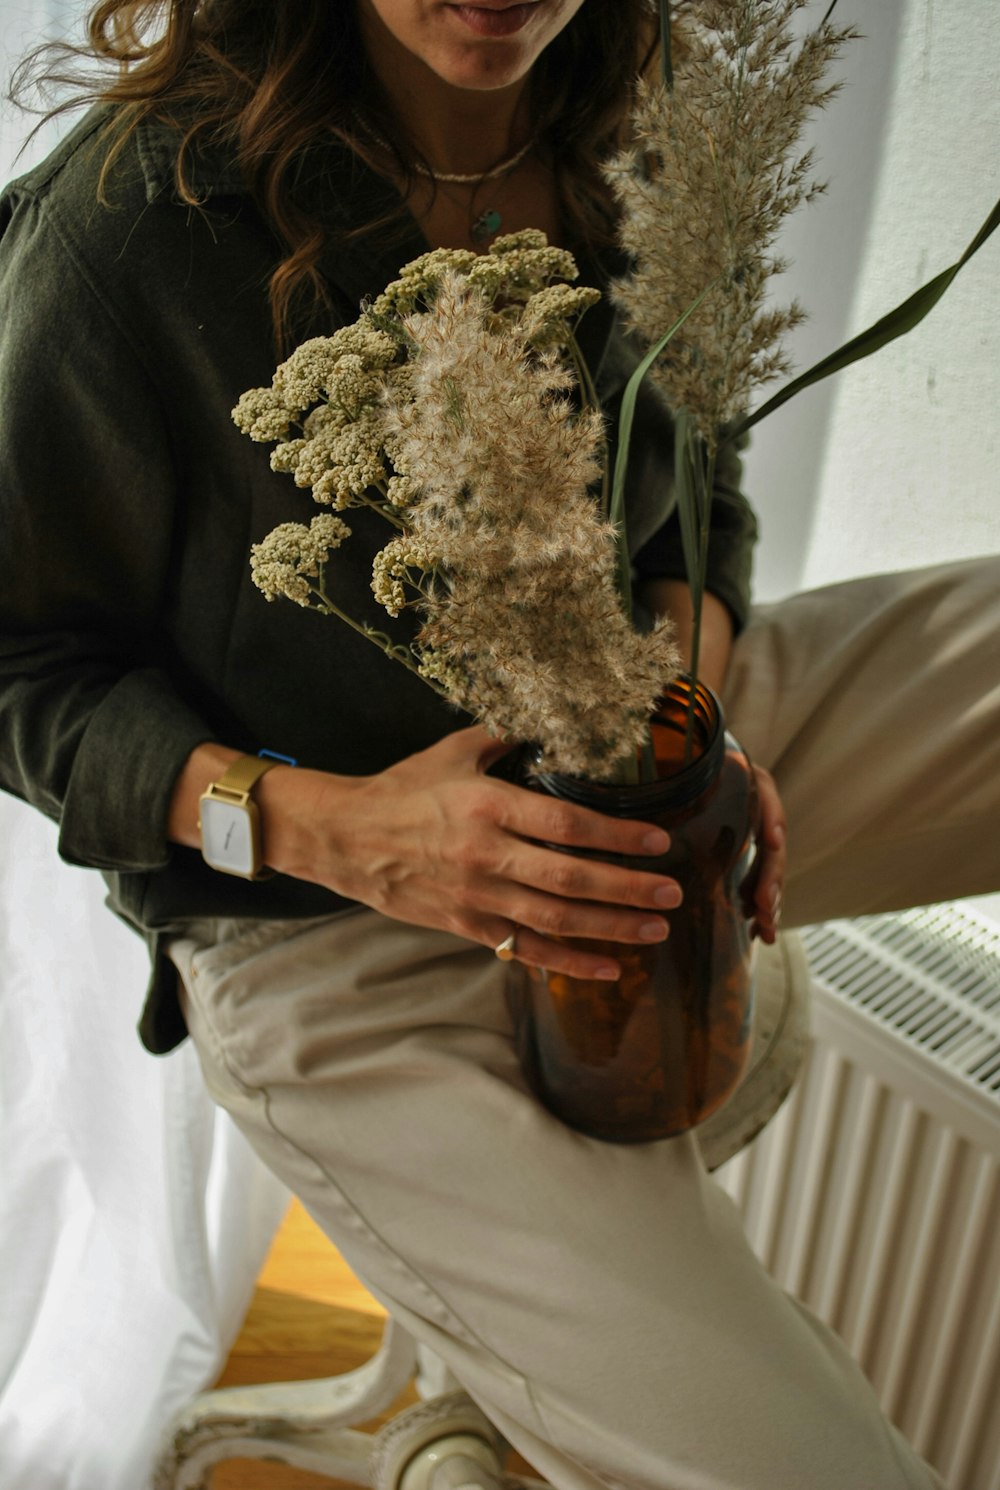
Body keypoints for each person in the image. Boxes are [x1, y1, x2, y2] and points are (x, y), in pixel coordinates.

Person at [0, 3, 995, 1487]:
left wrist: (686, 708)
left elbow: (699, 472)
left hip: (646, 724)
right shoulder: (132, 228)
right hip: (330, 927)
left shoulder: (645, 119)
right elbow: (21, 664)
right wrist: (347, 830)